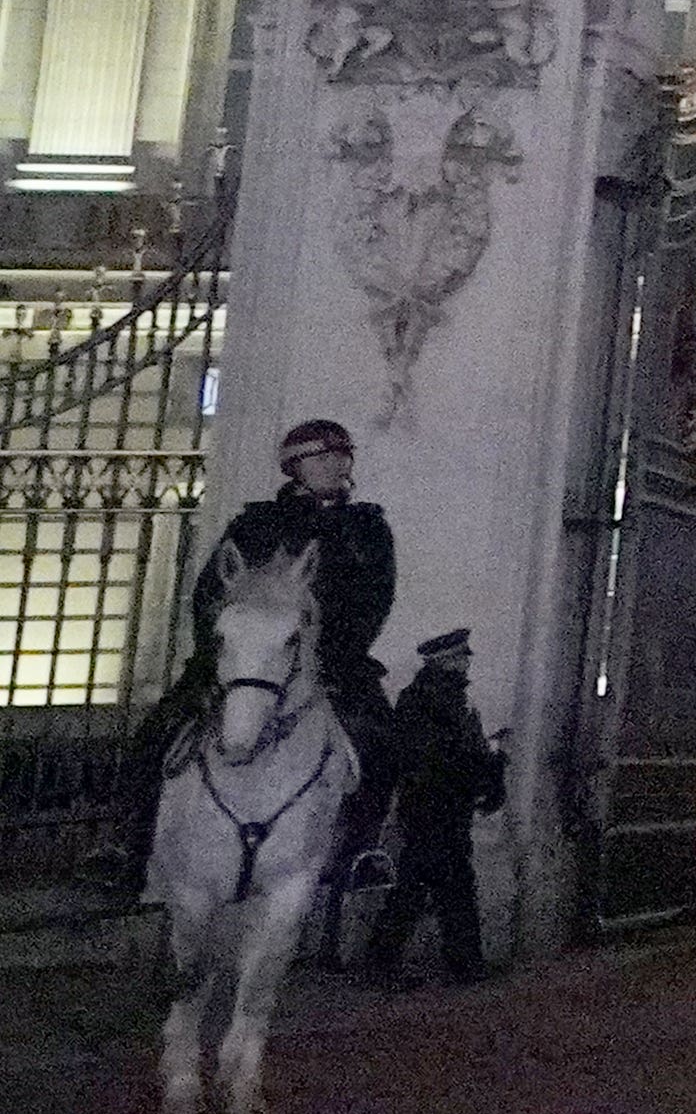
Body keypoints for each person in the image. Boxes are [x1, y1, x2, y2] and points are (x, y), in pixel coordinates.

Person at [137, 418, 400, 887]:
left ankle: (361, 850)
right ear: (295, 468)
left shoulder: (368, 528)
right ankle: (128, 842)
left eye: (343, 456)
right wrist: (223, 654)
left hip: (333, 663)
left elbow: (376, 600)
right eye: (323, 457)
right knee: (158, 729)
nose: (337, 465)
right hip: (244, 662)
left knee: (382, 741)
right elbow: (210, 594)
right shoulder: (256, 523)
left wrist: (329, 653)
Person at [360, 631, 503, 985]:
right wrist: (480, 770)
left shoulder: (450, 699)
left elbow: (464, 751)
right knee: (434, 889)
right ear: (443, 661)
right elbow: (432, 759)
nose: (466, 662)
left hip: (445, 810)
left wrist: (490, 770)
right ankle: (456, 964)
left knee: (432, 887)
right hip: (432, 810)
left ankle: (457, 963)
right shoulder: (424, 701)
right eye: (460, 658)